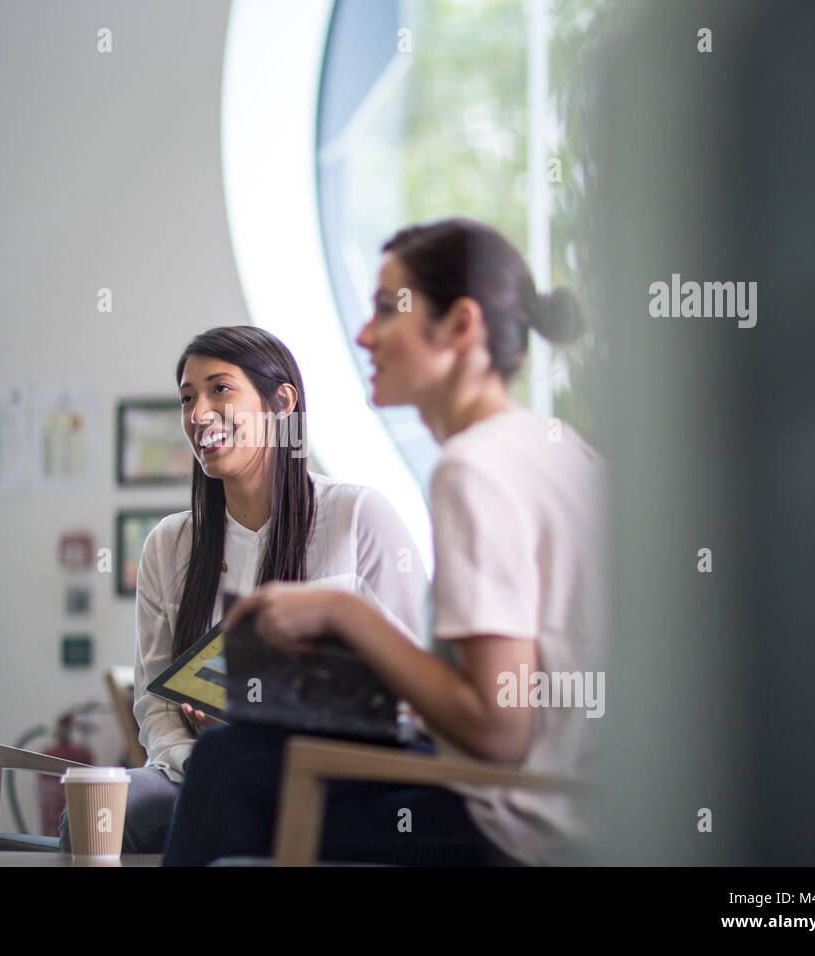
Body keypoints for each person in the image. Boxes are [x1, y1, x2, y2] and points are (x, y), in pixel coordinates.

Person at [162, 218, 607, 866]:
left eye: (385, 310)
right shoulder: (557, 448)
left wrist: (345, 613)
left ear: (460, 327)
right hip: (584, 800)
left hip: (522, 823)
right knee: (241, 760)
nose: (363, 334)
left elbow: (497, 729)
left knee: (231, 768)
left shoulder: (473, 468)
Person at [59, 325, 428, 853]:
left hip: (333, 775)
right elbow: (155, 707)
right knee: (100, 817)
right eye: (187, 398)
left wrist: (252, 723)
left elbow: (415, 688)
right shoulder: (168, 544)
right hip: (199, 775)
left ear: (282, 403)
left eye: (220, 389)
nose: (198, 413)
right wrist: (205, 763)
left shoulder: (357, 516)